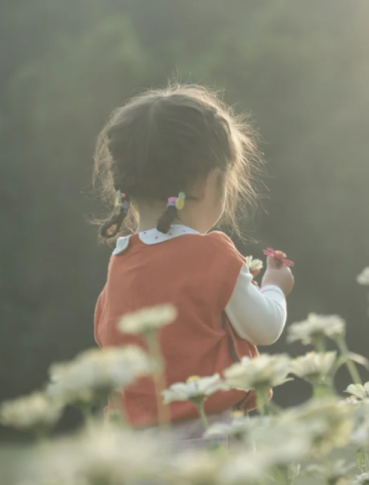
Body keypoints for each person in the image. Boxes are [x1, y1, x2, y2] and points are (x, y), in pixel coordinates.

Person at [91, 85, 293, 441]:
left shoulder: (120, 264)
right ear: (211, 180)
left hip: (132, 449)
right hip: (208, 442)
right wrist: (275, 286)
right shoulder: (213, 255)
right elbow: (264, 327)